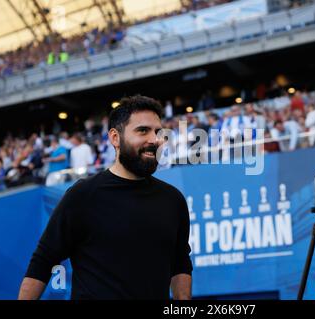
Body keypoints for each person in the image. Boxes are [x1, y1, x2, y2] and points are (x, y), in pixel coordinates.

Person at [18, 95, 193, 300]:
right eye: (143, 131)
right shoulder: (83, 195)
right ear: (115, 137)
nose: (154, 140)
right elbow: (43, 261)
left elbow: (180, 264)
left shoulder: (173, 200)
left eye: (157, 132)